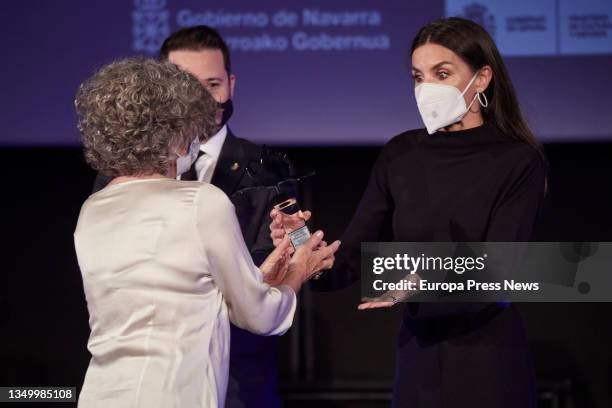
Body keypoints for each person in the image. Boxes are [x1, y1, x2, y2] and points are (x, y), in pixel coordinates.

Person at [271, 17, 546, 407]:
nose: (427, 88)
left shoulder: (517, 161)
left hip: (488, 362)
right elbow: (350, 259)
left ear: (482, 78)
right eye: (419, 76)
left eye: (442, 73)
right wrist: (302, 246)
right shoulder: (401, 154)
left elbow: (500, 272)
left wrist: (424, 280)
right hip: (418, 362)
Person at [74, 58, 340, 407]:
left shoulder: (92, 209)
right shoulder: (200, 201)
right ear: (174, 131)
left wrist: (261, 274)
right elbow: (259, 316)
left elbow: (185, 296)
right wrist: (297, 270)